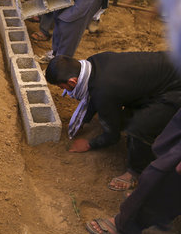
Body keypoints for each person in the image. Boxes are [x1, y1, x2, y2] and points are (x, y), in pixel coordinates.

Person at [85, 0, 181, 234]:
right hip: (170, 75)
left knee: (149, 142)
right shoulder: (104, 68)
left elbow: (108, 116)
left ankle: (131, 204)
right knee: (163, 143)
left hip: (175, 85)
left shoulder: (104, 79)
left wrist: (100, 139)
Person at [45, 52, 181, 191]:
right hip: (168, 69)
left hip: (175, 89)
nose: (64, 91)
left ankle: (135, 172)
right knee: (125, 112)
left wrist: (89, 144)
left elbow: (112, 136)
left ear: (73, 81)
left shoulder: (104, 91)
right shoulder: (94, 63)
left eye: (62, 87)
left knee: (138, 127)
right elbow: (93, 93)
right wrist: (83, 120)